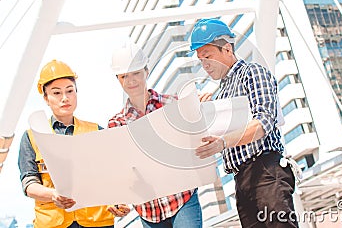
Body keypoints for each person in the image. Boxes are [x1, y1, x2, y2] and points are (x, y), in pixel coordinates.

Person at [191, 18, 298, 228]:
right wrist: (205, 113)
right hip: (242, 180)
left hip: (265, 170)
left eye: (208, 56)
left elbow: (264, 121)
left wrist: (222, 142)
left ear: (227, 50)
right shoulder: (222, 93)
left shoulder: (252, 72)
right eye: (201, 60)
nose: (205, 65)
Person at [18, 59, 129, 228]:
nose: (65, 98)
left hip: (96, 222)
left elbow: (110, 177)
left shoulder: (96, 131)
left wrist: (117, 201)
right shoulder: (31, 137)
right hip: (54, 223)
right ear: (46, 98)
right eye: (56, 93)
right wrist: (53, 194)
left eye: (70, 91)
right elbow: (29, 183)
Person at [108, 43, 203, 228]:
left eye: (136, 73)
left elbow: (194, 143)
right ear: (118, 79)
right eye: (124, 76)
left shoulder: (173, 105)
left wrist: (200, 110)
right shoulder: (116, 124)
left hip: (182, 198)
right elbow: (121, 170)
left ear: (146, 71)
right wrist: (118, 198)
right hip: (148, 209)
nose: (131, 81)